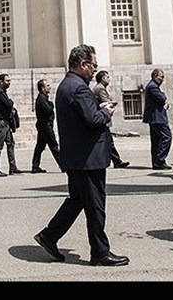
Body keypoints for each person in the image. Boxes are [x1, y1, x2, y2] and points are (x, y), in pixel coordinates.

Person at [34, 44, 129, 267]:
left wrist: (98, 109)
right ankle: (100, 253)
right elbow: (93, 120)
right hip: (88, 159)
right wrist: (106, 111)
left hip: (76, 156)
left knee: (77, 201)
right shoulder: (79, 88)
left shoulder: (67, 85)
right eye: (93, 65)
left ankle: (49, 235)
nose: (95, 70)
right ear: (83, 64)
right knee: (95, 207)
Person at [92, 71, 129, 169]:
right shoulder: (100, 89)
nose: (109, 79)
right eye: (107, 77)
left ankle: (117, 161)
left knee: (108, 141)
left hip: (101, 118)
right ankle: (116, 161)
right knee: (108, 142)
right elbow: (106, 102)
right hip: (102, 118)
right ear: (102, 78)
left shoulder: (101, 88)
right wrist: (112, 102)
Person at [0, 73, 21, 176]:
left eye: (9, 81)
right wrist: (11, 102)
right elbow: (8, 104)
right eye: (7, 81)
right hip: (1, 122)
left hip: (6, 122)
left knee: (11, 143)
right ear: (1, 81)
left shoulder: (3, 92)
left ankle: (13, 167)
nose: (9, 83)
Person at [143, 68, 171, 169]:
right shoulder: (153, 87)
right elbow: (162, 98)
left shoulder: (153, 86)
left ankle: (156, 162)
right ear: (155, 76)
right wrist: (164, 96)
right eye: (161, 77)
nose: (162, 79)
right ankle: (160, 160)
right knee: (166, 137)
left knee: (156, 141)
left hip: (154, 118)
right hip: (157, 117)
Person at [31, 78, 61, 173]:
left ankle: (35, 166)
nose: (49, 87)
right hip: (45, 126)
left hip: (44, 125)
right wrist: (51, 104)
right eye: (47, 86)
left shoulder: (43, 98)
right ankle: (63, 165)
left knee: (40, 146)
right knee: (53, 145)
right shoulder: (42, 99)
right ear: (42, 88)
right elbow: (47, 110)